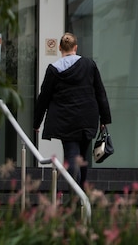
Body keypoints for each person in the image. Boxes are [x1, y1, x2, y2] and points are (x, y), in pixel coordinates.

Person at [33, 32, 112, 191]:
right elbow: (100, 93)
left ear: (60, 48)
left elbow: (44, 98)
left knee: (71, 154)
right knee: (83, 156)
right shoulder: (89, 65)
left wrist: (37, 122)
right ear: (76, 47)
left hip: (65, 119)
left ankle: (74, 193)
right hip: (88, 118)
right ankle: (81, 193)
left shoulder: (54, 70)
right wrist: (104, 119)